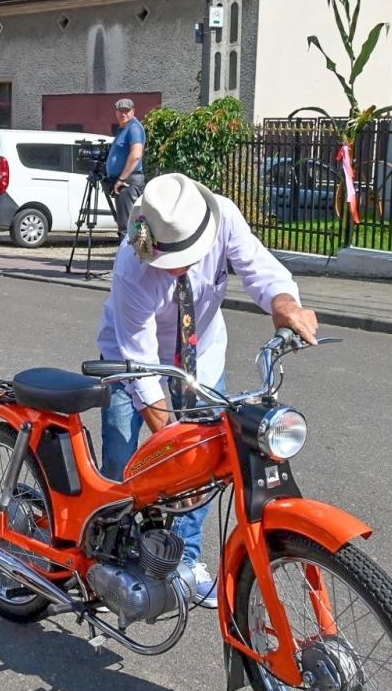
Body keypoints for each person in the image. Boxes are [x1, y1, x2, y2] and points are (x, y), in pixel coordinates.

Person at [97, 172, 318, 607]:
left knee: (207, 466)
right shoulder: (132, 263)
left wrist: (284, 303)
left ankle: (184, 561)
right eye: (171, 257)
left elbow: (260, 270)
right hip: (130, 362)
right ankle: (113, 558)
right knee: (124, 463)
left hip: (202, 361)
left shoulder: (223, 217)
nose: (180, 264)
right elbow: (142, 366)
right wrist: (171, 447)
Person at [104, 98, 147, 234]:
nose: (123, 114)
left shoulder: (133, 127)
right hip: (127, 181)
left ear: (133, 111)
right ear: (116, 112)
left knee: (128, 226)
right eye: (120, 111)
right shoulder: (124, 128)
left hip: (129, 182)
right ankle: (133, 253)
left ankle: (129, 255)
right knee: (130, 225)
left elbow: (136, 154)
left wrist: (122, 179)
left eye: (127, 111)